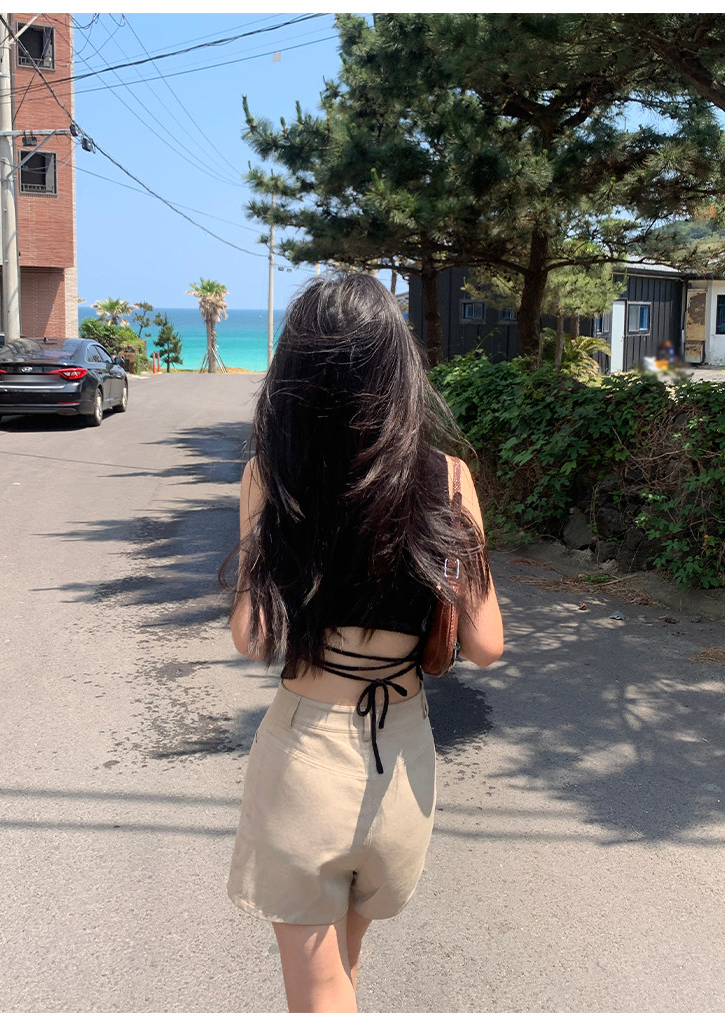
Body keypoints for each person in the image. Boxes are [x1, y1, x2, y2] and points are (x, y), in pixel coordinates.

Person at [224, 273, 503, 1013]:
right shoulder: (449, 477)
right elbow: (486, 644)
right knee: (344, 971)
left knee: (319, 995)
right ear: (398, 365)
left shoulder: (271, 475)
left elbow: (252, 635)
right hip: (402, 758)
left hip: (305, 753)